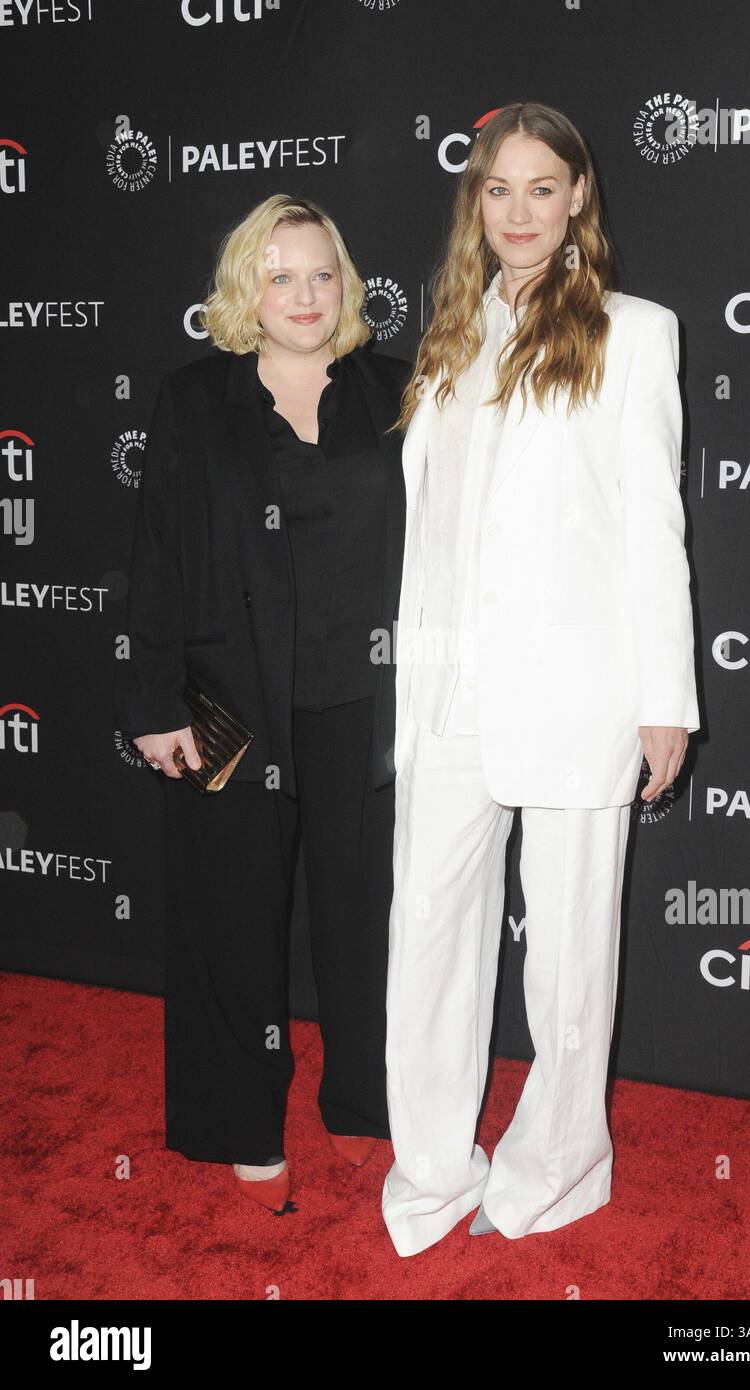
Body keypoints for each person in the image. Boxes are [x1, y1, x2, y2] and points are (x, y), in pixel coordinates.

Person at [380, 101, 700, 1256]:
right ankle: (427, 1167)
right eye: (496, 188)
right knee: (426, 931)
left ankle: (558, 1165)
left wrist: (666, 695)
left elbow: (653, 531)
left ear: (576, 202)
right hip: (448, 688)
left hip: (577, 687)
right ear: (477, 204)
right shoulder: (448, 337)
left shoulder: (633, 332)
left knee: (566, 953)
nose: (516, 210)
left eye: (539, 187)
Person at [114, 194, 411, 1214]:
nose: (303, 293)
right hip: (230, 700)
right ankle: (236, 1117)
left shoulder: (399, 389)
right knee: (230, 921)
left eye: (320, 272)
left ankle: (368, 1100)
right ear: (245, 289)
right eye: (278, 274)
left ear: (346, 285)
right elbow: (157, 552)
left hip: (365, 703)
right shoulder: (196, 397)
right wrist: (154, 697)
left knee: (364, 920)